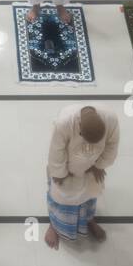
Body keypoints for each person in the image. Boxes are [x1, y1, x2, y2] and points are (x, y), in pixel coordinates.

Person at [45, 104, 120, 249]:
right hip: (67, 169)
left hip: (92, 167)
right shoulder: (65, 123)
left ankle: (89, 220)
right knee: (60, 198)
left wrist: (99, 165)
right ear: (79, 126)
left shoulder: (110, 119)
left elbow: (112, 144)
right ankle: (53, 225)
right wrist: (59, 173)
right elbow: (56, 150)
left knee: (89, 196)